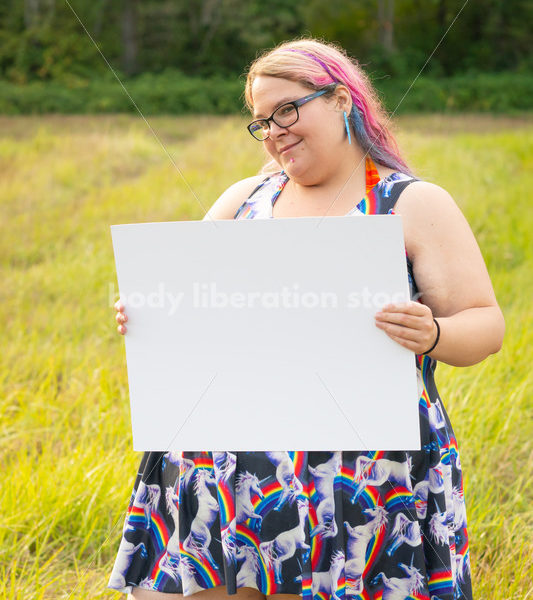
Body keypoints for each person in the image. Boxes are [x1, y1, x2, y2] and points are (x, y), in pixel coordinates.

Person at [108, 38, 505, 600]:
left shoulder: (410, 203)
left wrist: (434, 333)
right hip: (231, 462)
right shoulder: (243, 200)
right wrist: (152, 316)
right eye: (261, 121)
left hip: (360, 474)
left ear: (342, 99)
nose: (274, 131)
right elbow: (192, 304)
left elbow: (485, 323)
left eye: (287, 110)